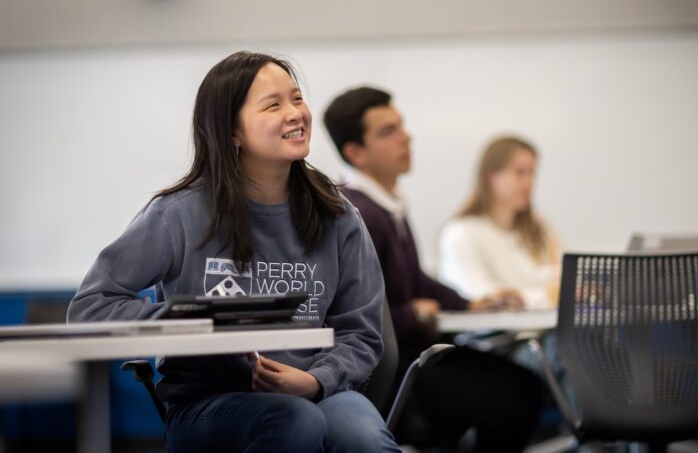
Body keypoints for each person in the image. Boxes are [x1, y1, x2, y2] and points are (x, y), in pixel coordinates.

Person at [67, 52, 401, 453]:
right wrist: (192, 321)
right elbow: (91, 306)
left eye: (297, 99)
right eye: (273, 105)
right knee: (294, 421)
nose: (295, 113)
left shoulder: (338, 214)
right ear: (232, 132)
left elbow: (360, 332)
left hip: (319, 389)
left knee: (364, 438)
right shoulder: (179, 213)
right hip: (209, 403)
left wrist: (317, 380)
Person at [323, 86, 543, 452]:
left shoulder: (388, 205)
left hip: (419, 353)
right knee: (517, 394)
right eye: (388, 131)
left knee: (523, 385)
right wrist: (410, 314)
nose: (407, 137)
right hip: (395, 371)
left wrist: (471, 304)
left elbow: (415, 279)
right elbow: (344, 316)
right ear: (356, 153)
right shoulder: (356, 214)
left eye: (401, 126)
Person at [438, 136, 560, 308]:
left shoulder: (541, 230)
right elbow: (479, 297)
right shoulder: (461, 232)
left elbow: (560, 284)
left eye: (532, 173)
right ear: (490, 176)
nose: (529, 184)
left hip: (545, 331)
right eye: (520, 173)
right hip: (491, 333)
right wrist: (546, 297)